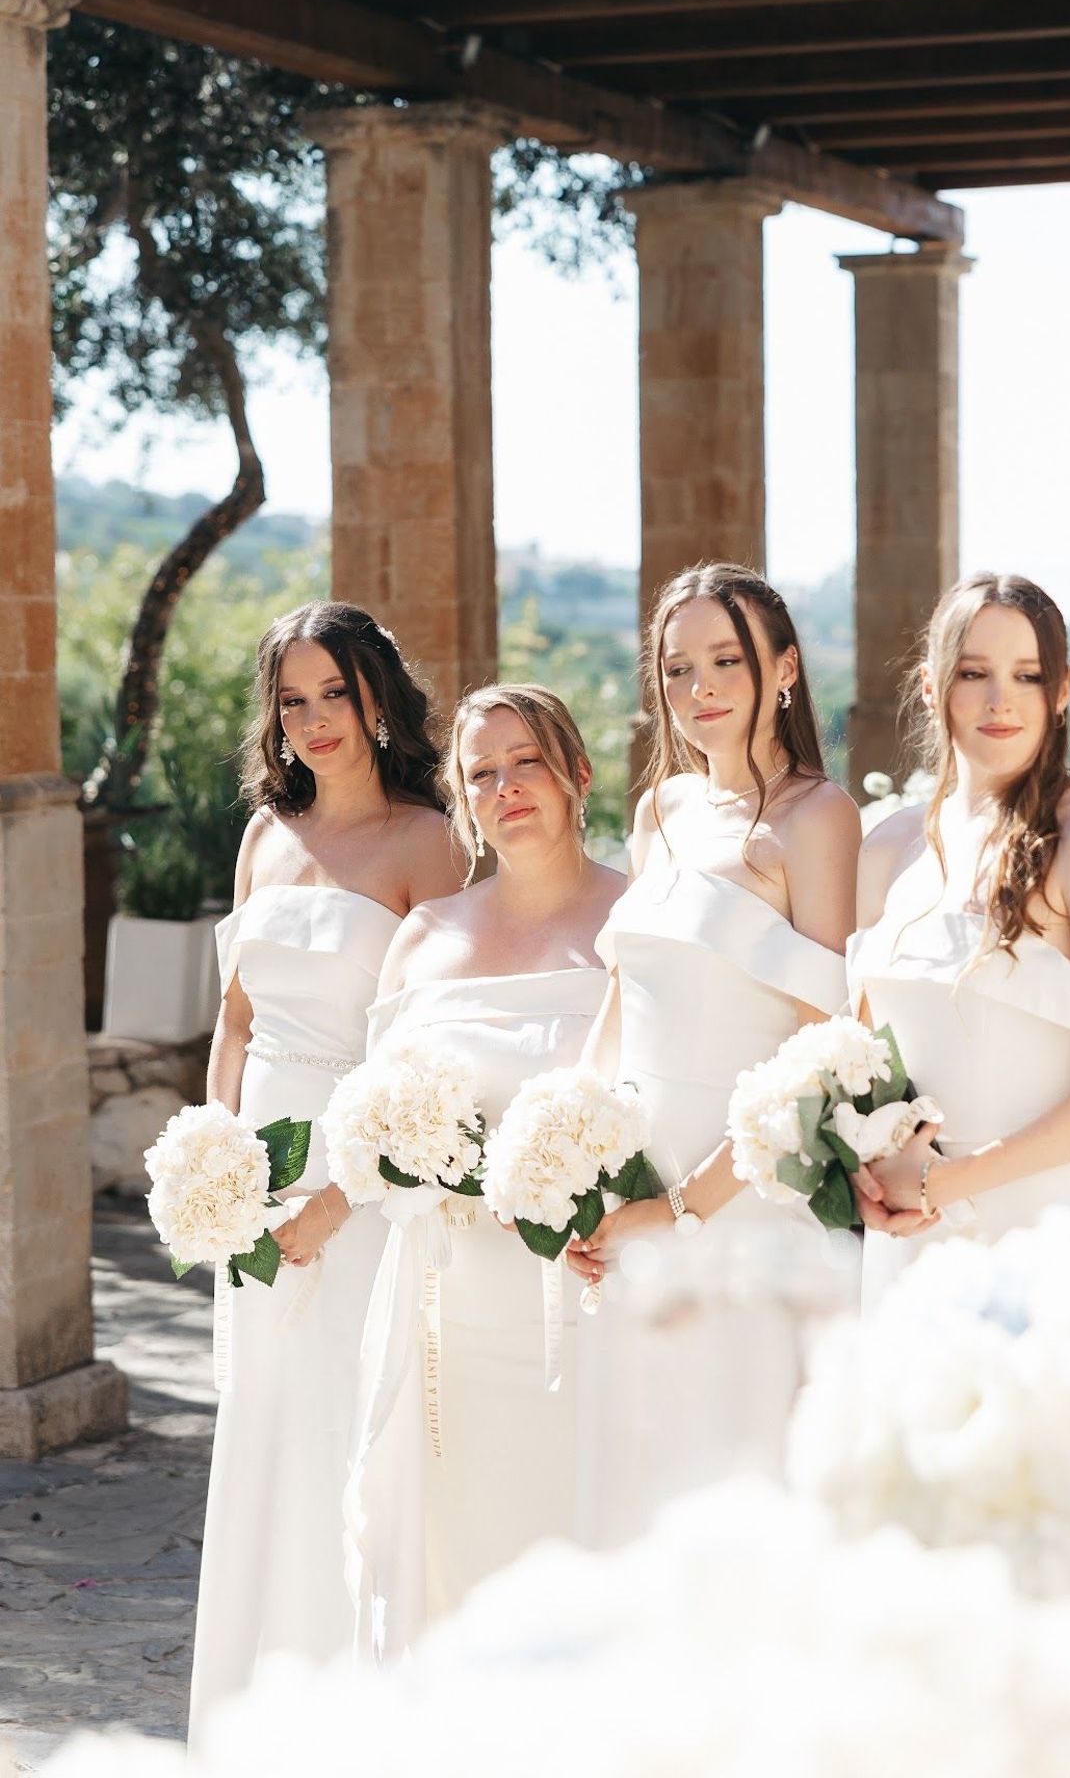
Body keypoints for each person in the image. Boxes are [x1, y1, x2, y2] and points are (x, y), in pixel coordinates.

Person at [188, 601, 458, 1736]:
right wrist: (212, 1161)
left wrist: (337, 1200)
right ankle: (252, 1717)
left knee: (343, 1437)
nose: (314, 720)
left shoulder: (427, 843)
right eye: (292, 700)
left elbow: (433, 1058)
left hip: (360, 1193)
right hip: (250, 1194)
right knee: (265, 1429)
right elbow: (236, 1020)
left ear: (377, 694)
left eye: (334, 692)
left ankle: (354, 1726)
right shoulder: (265, 835)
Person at [565, 562, 860, 1535]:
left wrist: (684, 1207)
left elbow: (820, 1049)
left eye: (726, 659)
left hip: (741, 1197)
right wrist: (574, 1164)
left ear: (785, 668)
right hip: (632, 1186)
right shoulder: (660, 810)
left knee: (736, 1483)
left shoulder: (817, 816)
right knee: (634, 1479)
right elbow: (620, 995)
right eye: (678, 666)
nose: (700, 687)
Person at [345, 684, 615, 1659]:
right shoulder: (424, 936)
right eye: (481, 773)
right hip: (444, 1311)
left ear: (578, 771)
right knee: (453, 1557)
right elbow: (370, 1110)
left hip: (585, 1296)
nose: (507, 786)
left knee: (578, 1551)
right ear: (462, 801)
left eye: (527, 760)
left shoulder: (634, 923)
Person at [851, 571, 1070, 1306]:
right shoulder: (886, 848)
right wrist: (863, 1168)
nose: (1001, 700)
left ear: (1061, 690)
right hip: (901, 1233)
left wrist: (947, 1182)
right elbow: (862, 1058)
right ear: (931, 686)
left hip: (1037, 1234)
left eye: (1028, 675)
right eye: (974, 674)